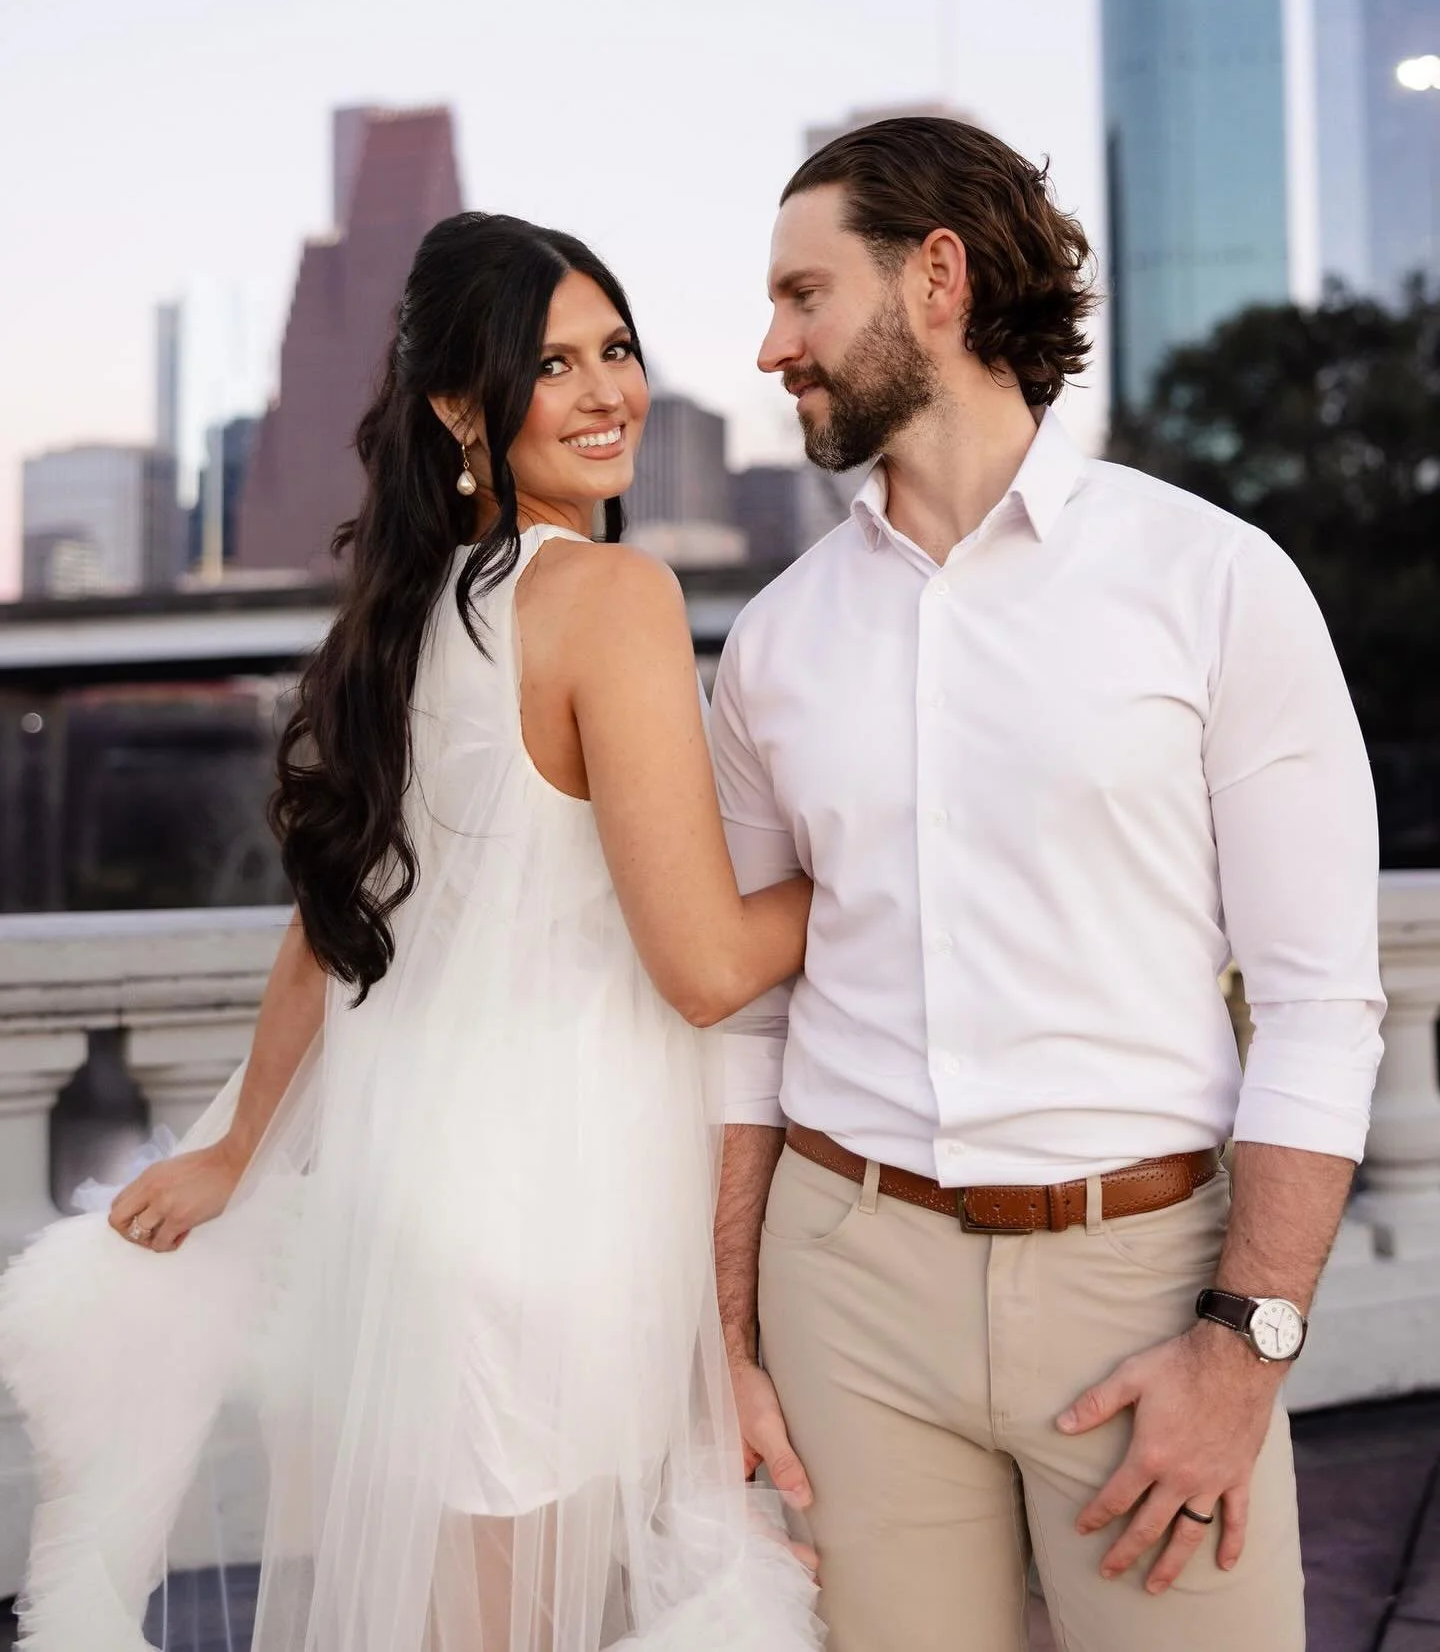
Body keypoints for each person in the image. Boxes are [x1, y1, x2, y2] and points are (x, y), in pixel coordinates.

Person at [0, 213, 823, 1652]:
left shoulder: (404, 621)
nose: (604, 390)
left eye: (614, 348)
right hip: (573, 1213)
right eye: (551, 363)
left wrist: (240, 1149)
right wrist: (871, 866)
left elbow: (330, 924)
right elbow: (703, 964)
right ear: (462, 407)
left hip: (430, 1222)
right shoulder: (612, 597)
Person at [710, 117, 1385, 1652]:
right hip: (848, 1295)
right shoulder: (773, 644)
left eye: (804, 295)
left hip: (1148, 1283)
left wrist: (1246, 1345)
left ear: (934, 278)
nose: (772, 345)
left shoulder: (1213, 580)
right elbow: (746, 1022)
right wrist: (731, 1342)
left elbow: (1318, 1007)